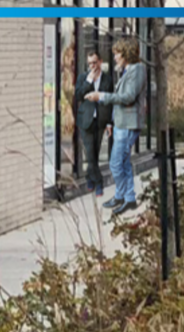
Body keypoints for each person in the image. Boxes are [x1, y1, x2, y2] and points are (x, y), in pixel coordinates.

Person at [85, 38, 145, 215]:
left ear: (126, 53)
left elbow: (127, 97)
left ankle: (121, 195)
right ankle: (128, 198)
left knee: (115, 163)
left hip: (128, 124)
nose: (115, 57)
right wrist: (111, 121)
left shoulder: (137, 70)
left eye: (117, 54)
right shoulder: (126, 70)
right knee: (124, 162)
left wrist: (101, 96)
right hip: (120, 123)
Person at [73, 48, 113, 197]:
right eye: (90, 64)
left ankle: (90, 177)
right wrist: (89, 81)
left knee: (94, 154)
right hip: (86, 120)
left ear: (100, 62)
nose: (93, 66)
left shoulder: (107, 79)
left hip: (100, 120)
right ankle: (99, 183)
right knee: (89, 153)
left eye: (95, 63)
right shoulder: (83, 78)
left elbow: (110, 102)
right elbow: (78, 96)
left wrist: (109, 123)